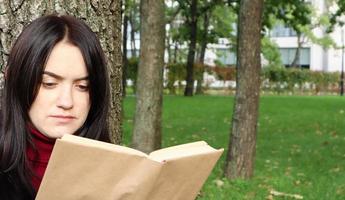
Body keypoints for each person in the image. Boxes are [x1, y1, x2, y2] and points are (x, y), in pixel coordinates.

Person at [0, 14, 111, 199]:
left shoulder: (111, 168)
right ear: (16, 79)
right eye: (49, 83)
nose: (66, 102)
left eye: (82, 87)